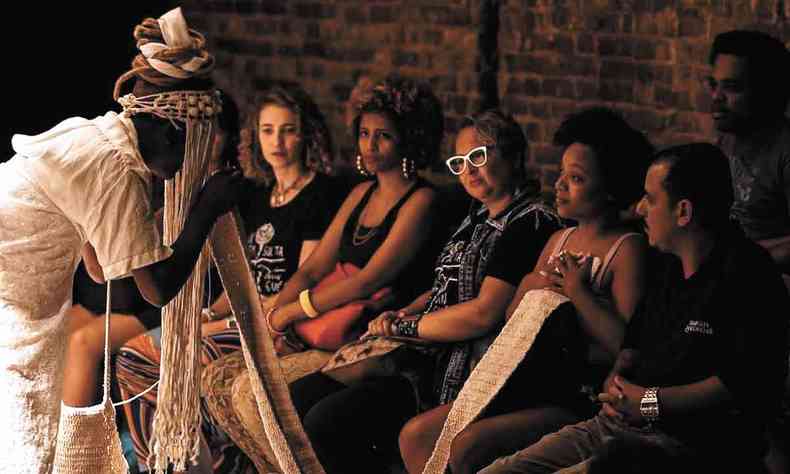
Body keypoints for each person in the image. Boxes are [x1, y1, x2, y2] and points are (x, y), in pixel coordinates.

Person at [0, 8, 248, 473]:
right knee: (25, 444)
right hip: (12, 297)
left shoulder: (97, 137)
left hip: (22, 297)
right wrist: (204, 211)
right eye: (195, 149)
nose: (188, 168)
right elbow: (156, 288)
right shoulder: (116, 172)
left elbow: (98, 267)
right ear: (175, 132)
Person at [481, 143, 790, 473]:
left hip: (693, 442)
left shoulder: (746, 274)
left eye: (651, 199)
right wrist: (616, 385)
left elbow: (741, 383)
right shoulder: (667, 265)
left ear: (683, 212)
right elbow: (632, 345)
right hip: (621, 425)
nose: (639, 209)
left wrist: (648, 402)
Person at [287, 108, 561, 474]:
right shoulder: (477, 216)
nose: (469, 170)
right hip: (428, 350)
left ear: (512, 156)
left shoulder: (529, 223)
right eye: (460, 162)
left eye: (479, 156)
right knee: (298, 396)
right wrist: (406, 312)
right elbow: (443, 285)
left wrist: (407, 328)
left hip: (462, 369)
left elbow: (484, 313)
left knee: (328, 421)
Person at [398, 107, 652, 474]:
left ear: (610, 187)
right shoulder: (557, 239)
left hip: (573, 393)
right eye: (562, 173)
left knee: (468, 446)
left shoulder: (626, 249)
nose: (560, 184)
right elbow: (510, 317)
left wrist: (579, 294)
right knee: (416, 434)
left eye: (576, 178)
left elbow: (626, 344)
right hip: (523, 379)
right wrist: (534, 284)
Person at [115, 83, 346, 472]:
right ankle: (157, 462)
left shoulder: (321, 195)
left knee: (152, 357)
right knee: (133, 356)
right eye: (268, 130)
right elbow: (241, 276)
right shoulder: (256, 195)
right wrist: (208, 316)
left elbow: (306, 275)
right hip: (241, 313)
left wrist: (260, 316)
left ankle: (209, 462)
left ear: (306, 134)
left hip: (279, 320)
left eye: (288, 130)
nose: (278, 141)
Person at [61, 89, 241, 409]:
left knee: (83, 341)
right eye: (195, 133)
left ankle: (76, 449)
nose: (201, 144)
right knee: (57, 331)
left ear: (228, 139)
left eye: (213, 135)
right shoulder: (164, 178)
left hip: (176, 296)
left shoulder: (223, 190)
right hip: (131, 286)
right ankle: (49, 439)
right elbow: (103, 265)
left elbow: (209, 264)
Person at [264, 73, 443, 353]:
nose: (369, 146)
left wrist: (290, 313)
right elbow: (312, 269)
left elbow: (367, 281)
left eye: (383, 136)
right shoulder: (361, 192)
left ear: (408, 140)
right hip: (321, 324)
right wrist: (274, 315)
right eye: (364, 133)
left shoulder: (422, 200)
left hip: (377, 333)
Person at [707, 30, 790, 281]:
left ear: (766, 91)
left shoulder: (784, 152)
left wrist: (741, 260)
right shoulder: (728, 137)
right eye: (713, 85)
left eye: (732, 87)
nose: (716, 98)